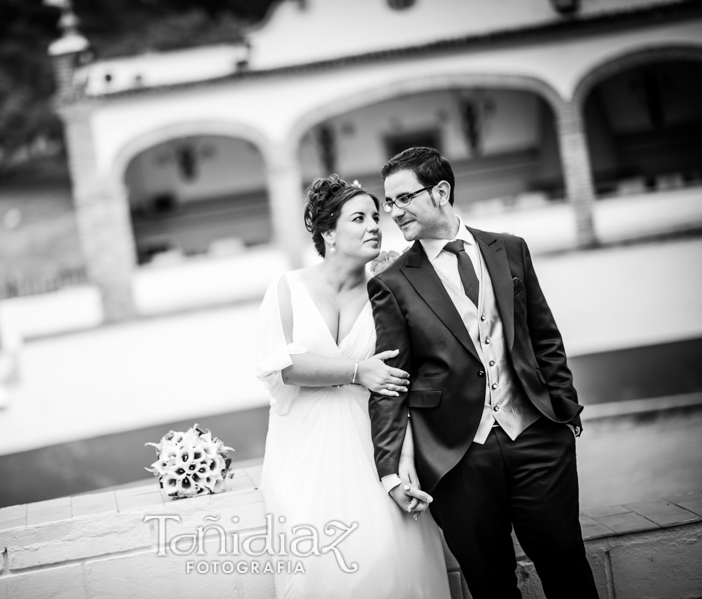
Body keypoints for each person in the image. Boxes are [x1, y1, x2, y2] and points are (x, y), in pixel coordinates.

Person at [368, 147, 598, 599]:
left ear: (440, 192)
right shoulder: (392, 281)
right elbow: (390, 382)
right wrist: (391, 468)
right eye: (388, 203)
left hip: (536, 436)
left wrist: (564, 411)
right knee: (490, 584)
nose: (393, 213)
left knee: (567, 565)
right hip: (457, 459)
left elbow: (543, 334)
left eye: (403, 199)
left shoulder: (508, 248)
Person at [256, 175, 451, 599]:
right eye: (359, 218)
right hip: (303, 451)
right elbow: (285, 366)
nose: (375, 226)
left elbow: (403, 380)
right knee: (320, 570)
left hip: (371, 443)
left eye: (376, 217)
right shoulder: (286, 288)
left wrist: (403, 456)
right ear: (328, 232)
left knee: (393, 559)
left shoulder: (388, 288)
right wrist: (358, 370)